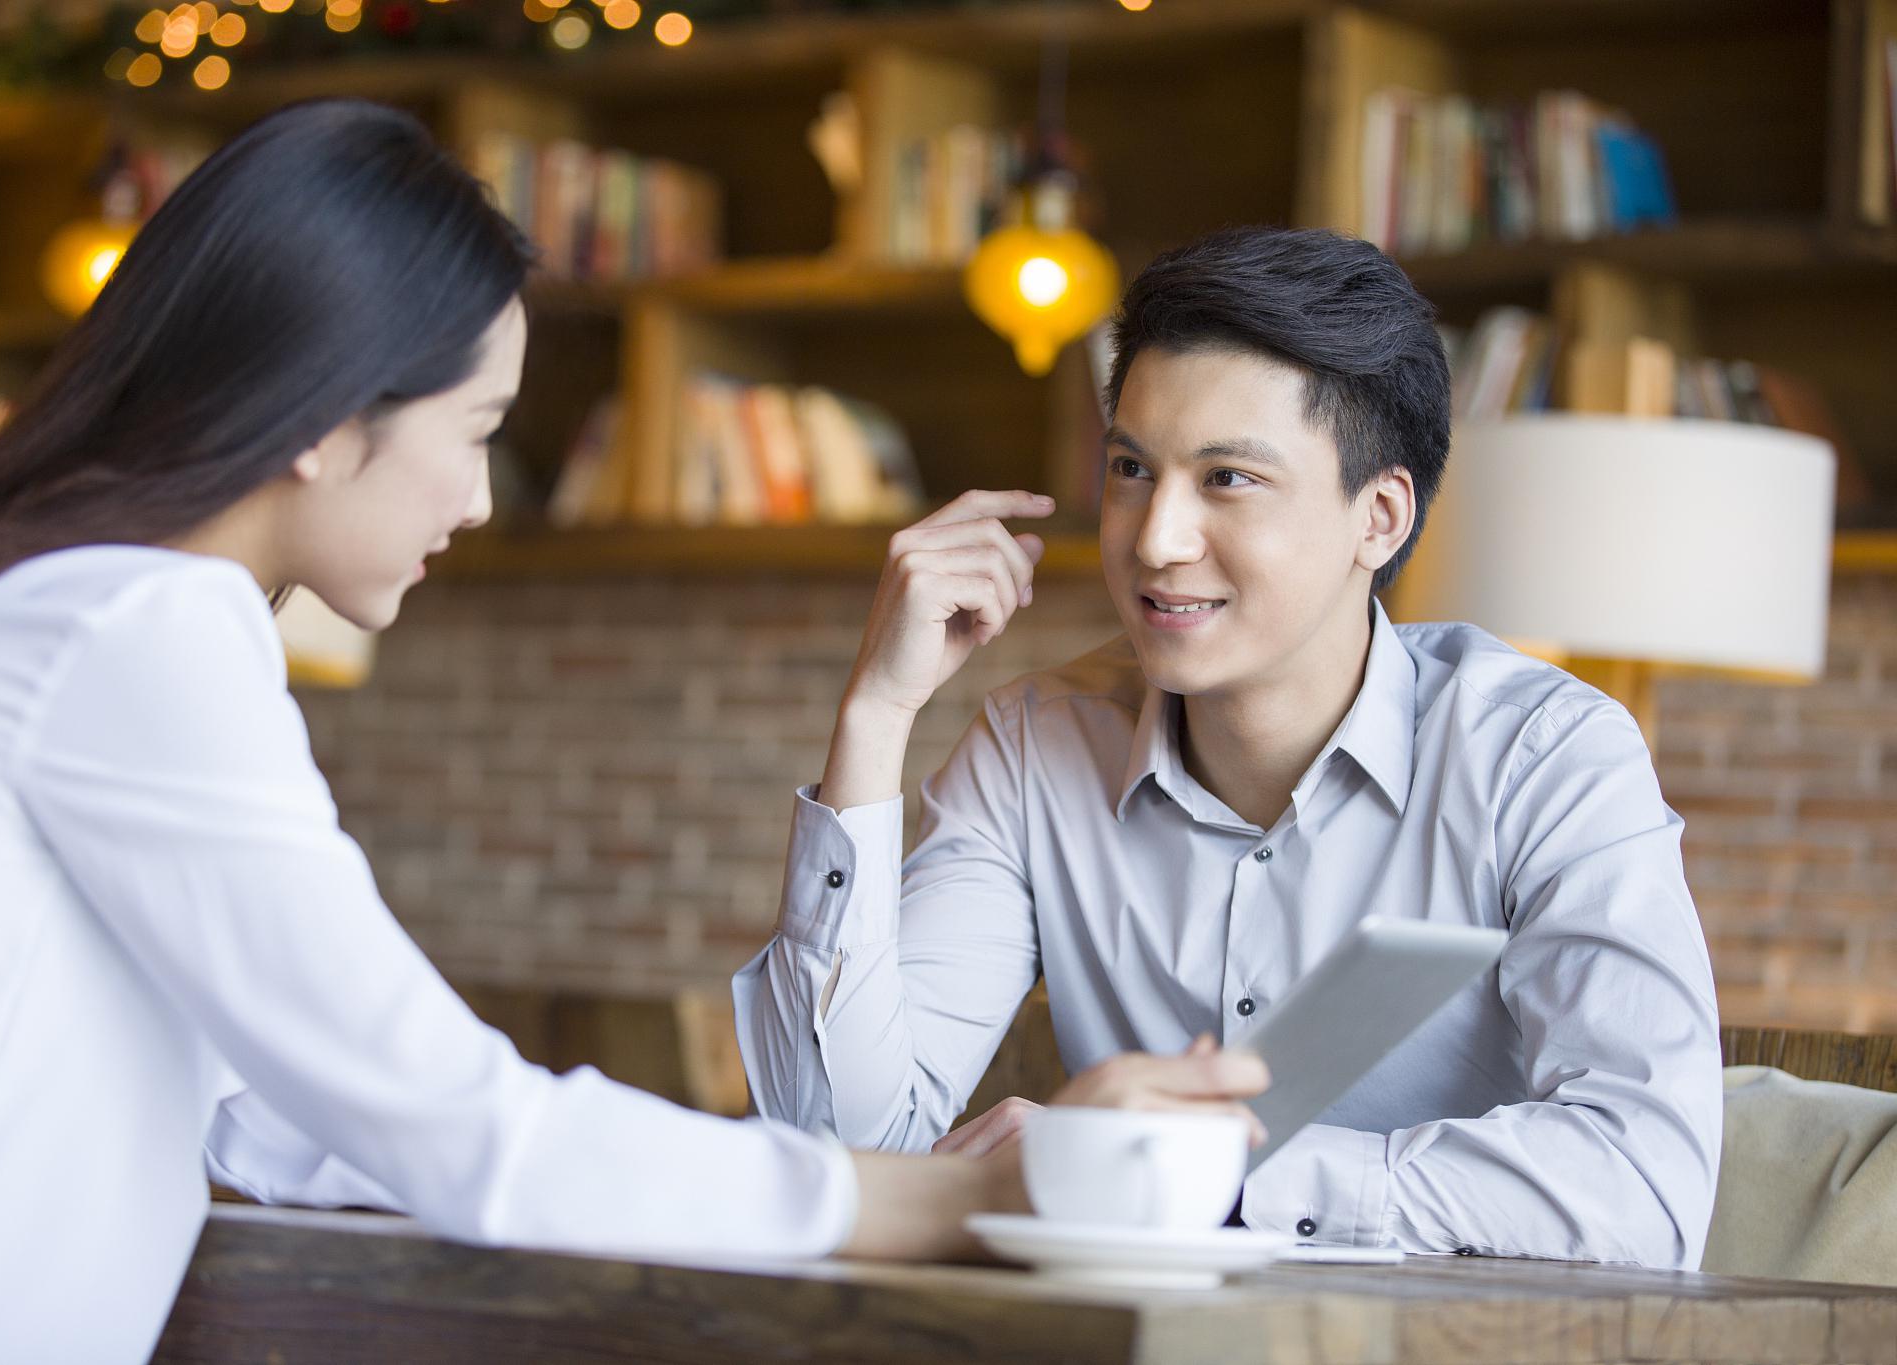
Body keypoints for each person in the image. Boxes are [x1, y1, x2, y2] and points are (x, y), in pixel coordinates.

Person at [0, 103, 1268, 1365]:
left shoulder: (56, 619)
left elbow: (291, 1121)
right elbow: (454, 1126)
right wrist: (952, 1197)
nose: (477, 499)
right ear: (324, 419)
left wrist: (789, 1178)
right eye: (475, 430)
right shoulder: (129, 629)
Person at [734, 226, 1724, 1268]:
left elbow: (1644, 1190)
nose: (1154, 539)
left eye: (1227, 479)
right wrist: (876, 716)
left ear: (1378, 518)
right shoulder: (1034, 747)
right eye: (1129, 468)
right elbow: (834, 1156)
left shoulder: (1542, 758)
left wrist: (1191, 1179)